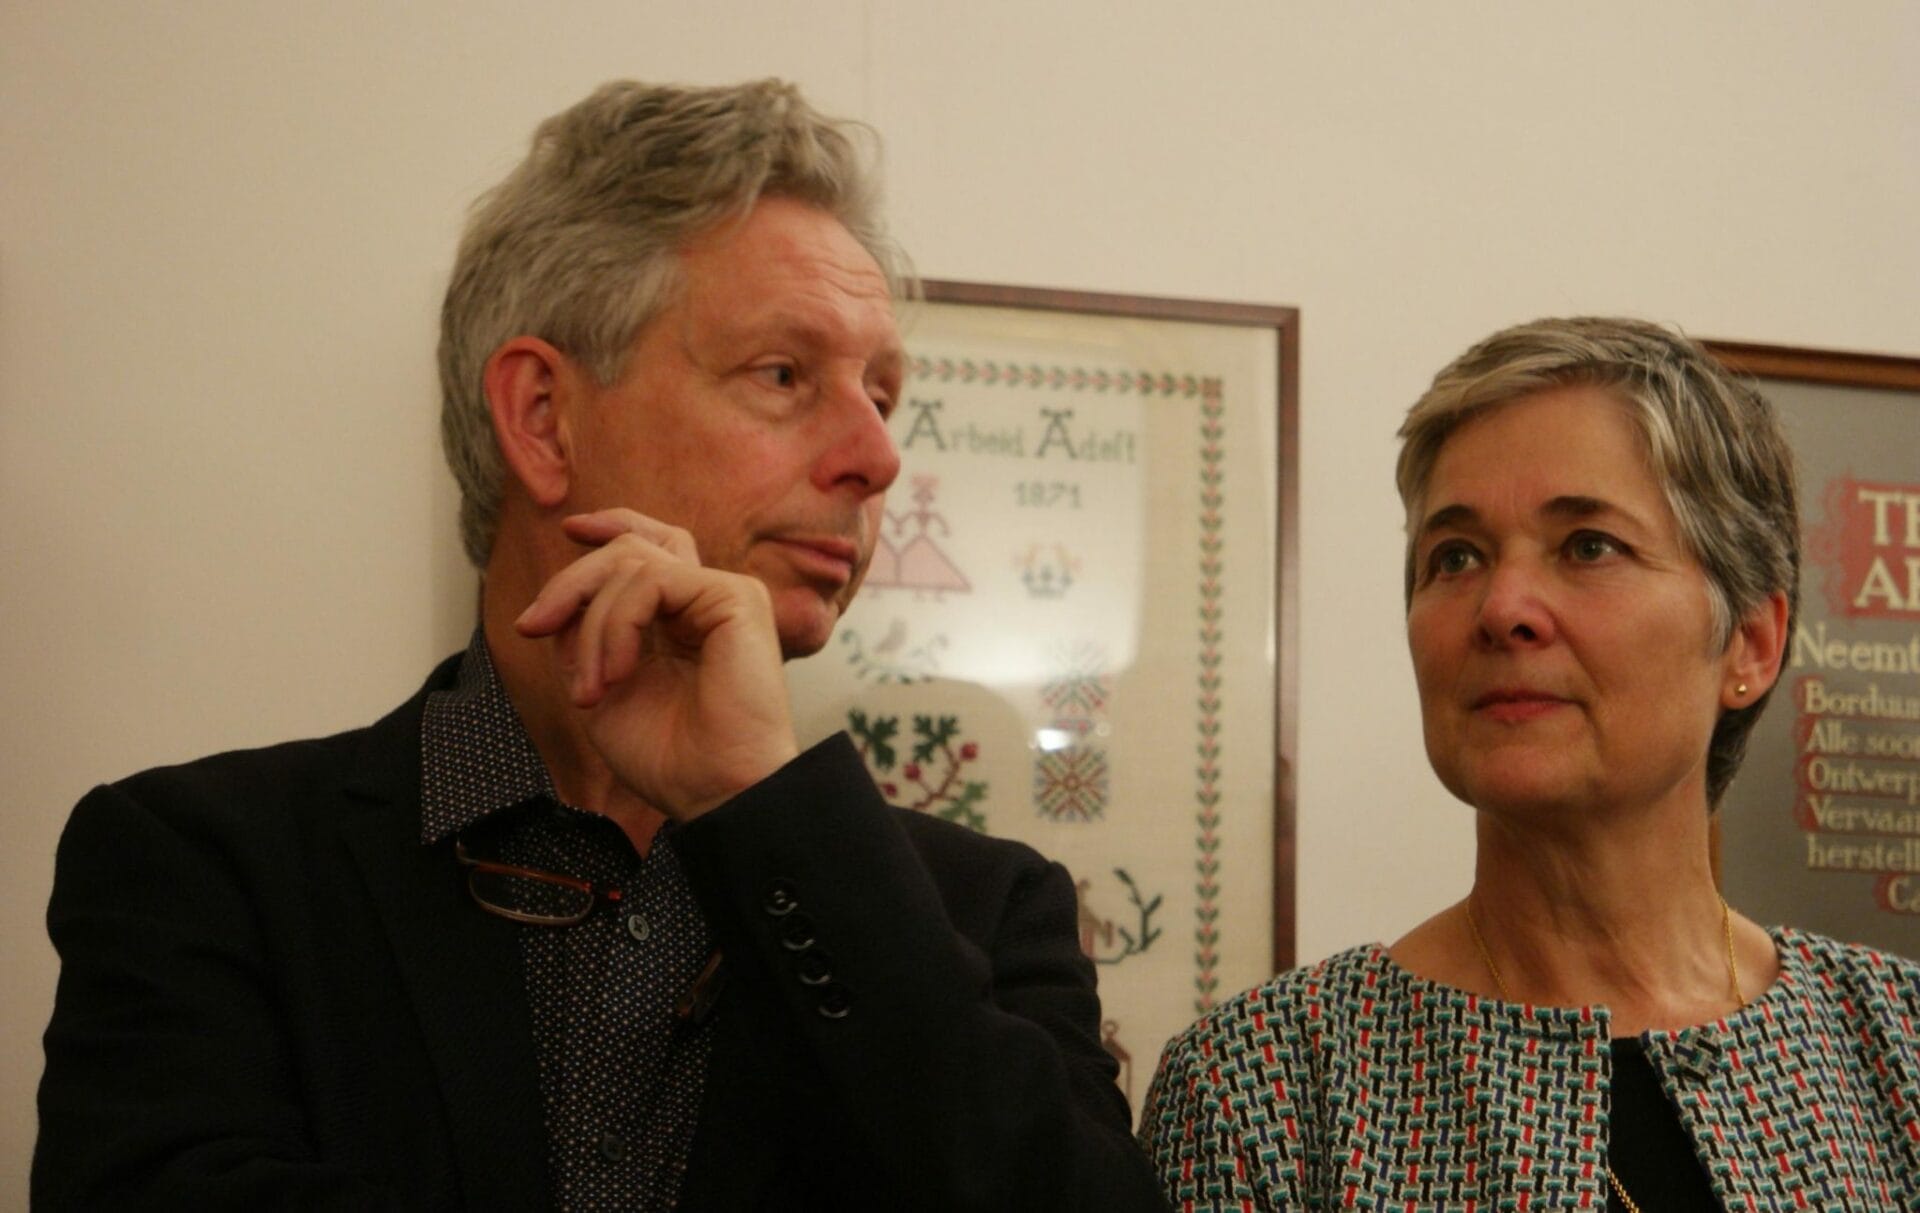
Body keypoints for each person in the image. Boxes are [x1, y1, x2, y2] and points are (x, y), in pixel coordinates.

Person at [35, 79, 1166, 1212]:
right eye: (783, 374)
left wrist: (771, 813)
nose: (877, 458)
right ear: (542, 417)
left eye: (882, 395)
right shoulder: (203, 868)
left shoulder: (986, 909)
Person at [1141, 317, 1920, 1210]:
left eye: (1589, 545)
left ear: (1750, 641)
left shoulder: (1896, 1043)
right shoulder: (1267, 1088)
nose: (1502, 607)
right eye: (1455, 557)